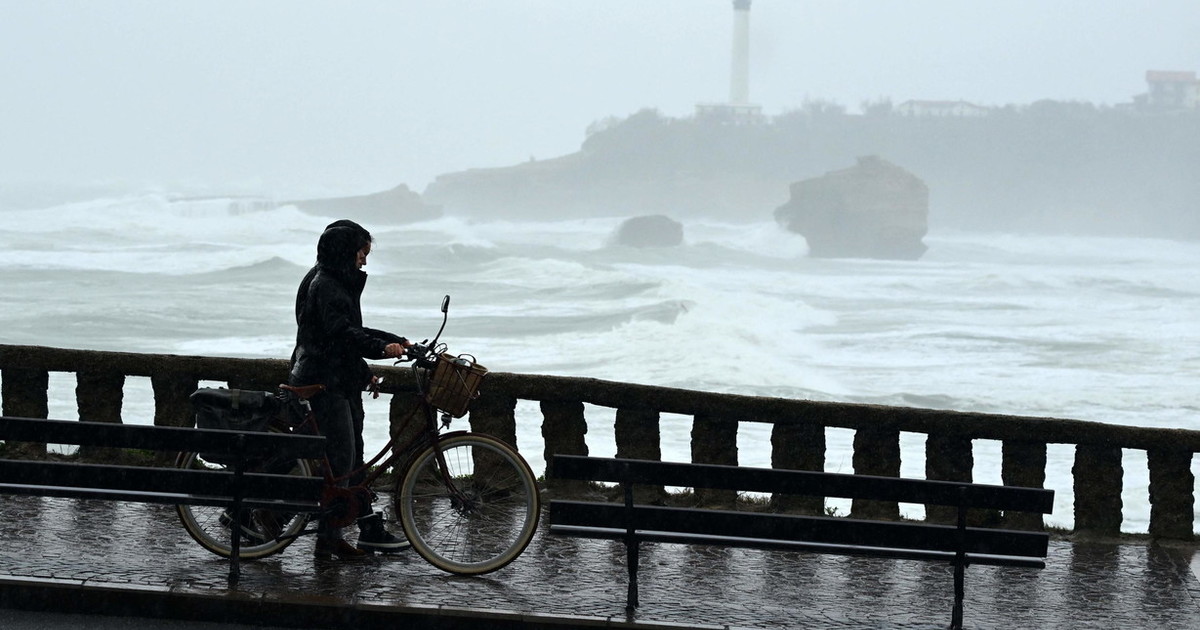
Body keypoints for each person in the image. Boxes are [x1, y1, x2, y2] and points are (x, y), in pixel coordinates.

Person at [290, 222, 411, 558]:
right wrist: (381, 349)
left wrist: (390, 342)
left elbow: (342, 335)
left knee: (348, 458)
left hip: (336, 376)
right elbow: (341, 335)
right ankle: (322, 538)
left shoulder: (331, 280)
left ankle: (348, 533)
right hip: (323, 382)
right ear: (346, 251)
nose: (364, 261)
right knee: (342, 459)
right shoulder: (327, 284)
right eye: (362, 253)